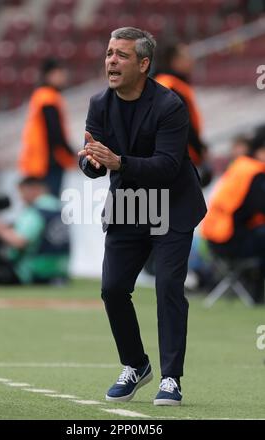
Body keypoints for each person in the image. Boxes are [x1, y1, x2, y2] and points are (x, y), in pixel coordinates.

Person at [78, 27, 206, 406]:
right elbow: (93, 161)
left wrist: (118, 162)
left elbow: (167, 167)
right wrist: (90, 162)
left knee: (168, 286)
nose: (111, 61)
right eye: (108, 54)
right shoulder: (98, 104)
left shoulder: (170, 105)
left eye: (121, 55)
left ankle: (171, 379)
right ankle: (135, 365)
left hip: (172, 206)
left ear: (144, 64)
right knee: (112, 289)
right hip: (129, 205)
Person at [201, 128, 265, 304]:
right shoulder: (256, 173)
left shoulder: (241, 166)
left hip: (214, 236)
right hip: (228, 239)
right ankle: (257, 292)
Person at [0, 177, 70, 285]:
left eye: (23, 192)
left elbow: (20, 241)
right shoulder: (58, 208)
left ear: (34, 189)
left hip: (34, 273)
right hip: (58, 270)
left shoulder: (36, 211)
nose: (21, 197)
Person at [154, 42, 213, 187]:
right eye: (186, 56)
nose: (191, 60)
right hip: (176, 160)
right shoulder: (169, 86)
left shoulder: (165, 83)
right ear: (174, 61)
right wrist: (200, 151)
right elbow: (182, 124)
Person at [19, 58, 76, 196]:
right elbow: (54, 132)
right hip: (48, 162)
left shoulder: (40, 96)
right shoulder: (48, 98)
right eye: (60, 74)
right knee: (48, 205)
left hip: (38, 162)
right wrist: (71, 153)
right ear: (50, 75)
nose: (63, 78)